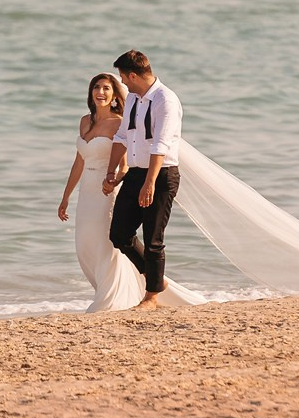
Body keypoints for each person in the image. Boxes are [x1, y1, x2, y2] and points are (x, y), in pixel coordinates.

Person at [57, 72, 202, 311]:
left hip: (107, 191)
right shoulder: (85, 121)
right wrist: (65, 197)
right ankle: (141, 282)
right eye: (96, 87)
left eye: (106, 88)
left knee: (109, 243)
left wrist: (113, 180)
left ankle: (113, 296)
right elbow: (78, 162)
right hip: (87, 191)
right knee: (86, 244)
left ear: (115, 94)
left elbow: (125, 163)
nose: (100, 92)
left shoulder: (119, 122)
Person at [105, 50, 184, 308]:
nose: (123, 83)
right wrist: (112, 172)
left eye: (123, 78)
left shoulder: (166, 100)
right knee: (119, 234)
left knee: (153, 239)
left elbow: (160, 145)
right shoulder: (132, 100)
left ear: (133, 75)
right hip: (136, 173)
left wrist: (150, 183)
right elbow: (122, 137)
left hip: (160, 175)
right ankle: (156, 279)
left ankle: (151, 296)